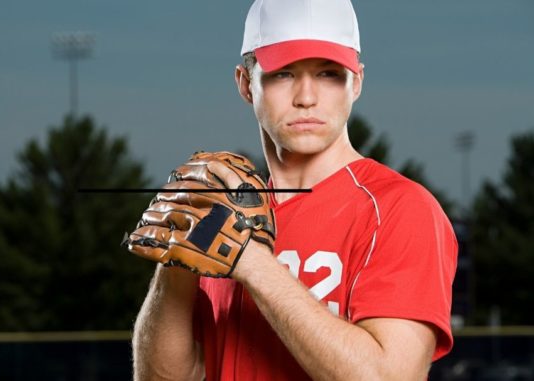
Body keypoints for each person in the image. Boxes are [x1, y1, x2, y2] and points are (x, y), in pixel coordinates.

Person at [131, 0, 458, 379]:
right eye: (284, 73)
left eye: (328, 73)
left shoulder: (399, 209)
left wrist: (253, 264)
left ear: (357, 83)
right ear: (245, 83)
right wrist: (177, 259)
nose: (306, 97)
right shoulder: (220, 214)